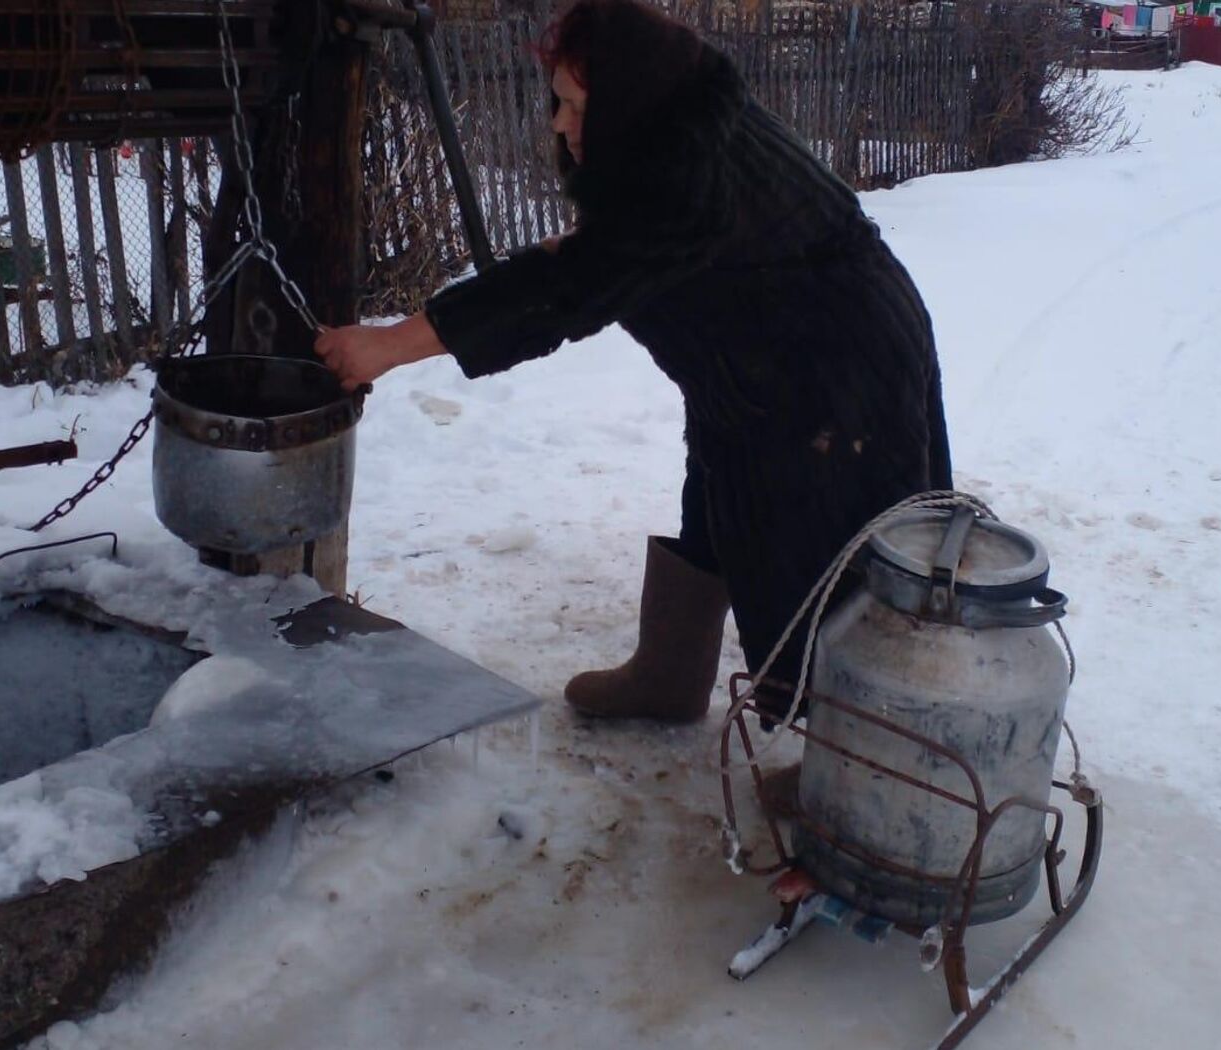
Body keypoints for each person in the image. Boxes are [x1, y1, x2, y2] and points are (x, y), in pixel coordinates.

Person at [315, 0, 952, 725]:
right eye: (556, 102)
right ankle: (667, 678)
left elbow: (570, 290)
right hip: (770, 362)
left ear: (626, 103)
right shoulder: (679, 128)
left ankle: (861, 751)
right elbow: (598, 255)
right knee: (722, 484)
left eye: (573, 106)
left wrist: (389, 344)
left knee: (826, 549)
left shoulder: (682, 178)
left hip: (840, 372)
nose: (557, 123)